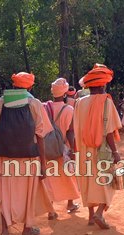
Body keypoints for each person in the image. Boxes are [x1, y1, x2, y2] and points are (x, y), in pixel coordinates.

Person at [0, 72, 50, 235]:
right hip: (28, 157)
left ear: (14, 85)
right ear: (30, 87)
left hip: (3, 156)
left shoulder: (1, 102)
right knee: (28, 193)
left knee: (4, 194)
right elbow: (40, 135)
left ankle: (5, 233)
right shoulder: (34, 103)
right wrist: (43, 163)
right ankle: (27, 227)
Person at [73, 64, 121, 229]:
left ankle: (91, 216)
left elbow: (76, 128)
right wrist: (115, 151)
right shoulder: (106, 102)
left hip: (83, 148)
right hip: (102, 149)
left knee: (88, 180)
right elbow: (109, 131)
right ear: (102, 84)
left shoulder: (79, 102)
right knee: (107, 181)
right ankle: (100, 212)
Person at [42, 78, 81, 214]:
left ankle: (51, 210)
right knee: (69, 176)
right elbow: (70, 132)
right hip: (63, 148)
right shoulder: (69, 109)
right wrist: (73, 150)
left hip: (47, 147)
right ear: (65, 94)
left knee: (50, 178)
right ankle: (70, 204)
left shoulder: (44, 107)